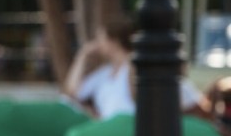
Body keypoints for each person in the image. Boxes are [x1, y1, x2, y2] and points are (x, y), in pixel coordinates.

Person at [63, 16, 206, 120]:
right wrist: (82, 56)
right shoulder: (104, 73)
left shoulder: (136, 65)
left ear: (113, 41)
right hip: (110, 128)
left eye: (101, 39)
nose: (96, 44)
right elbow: (72, 93)